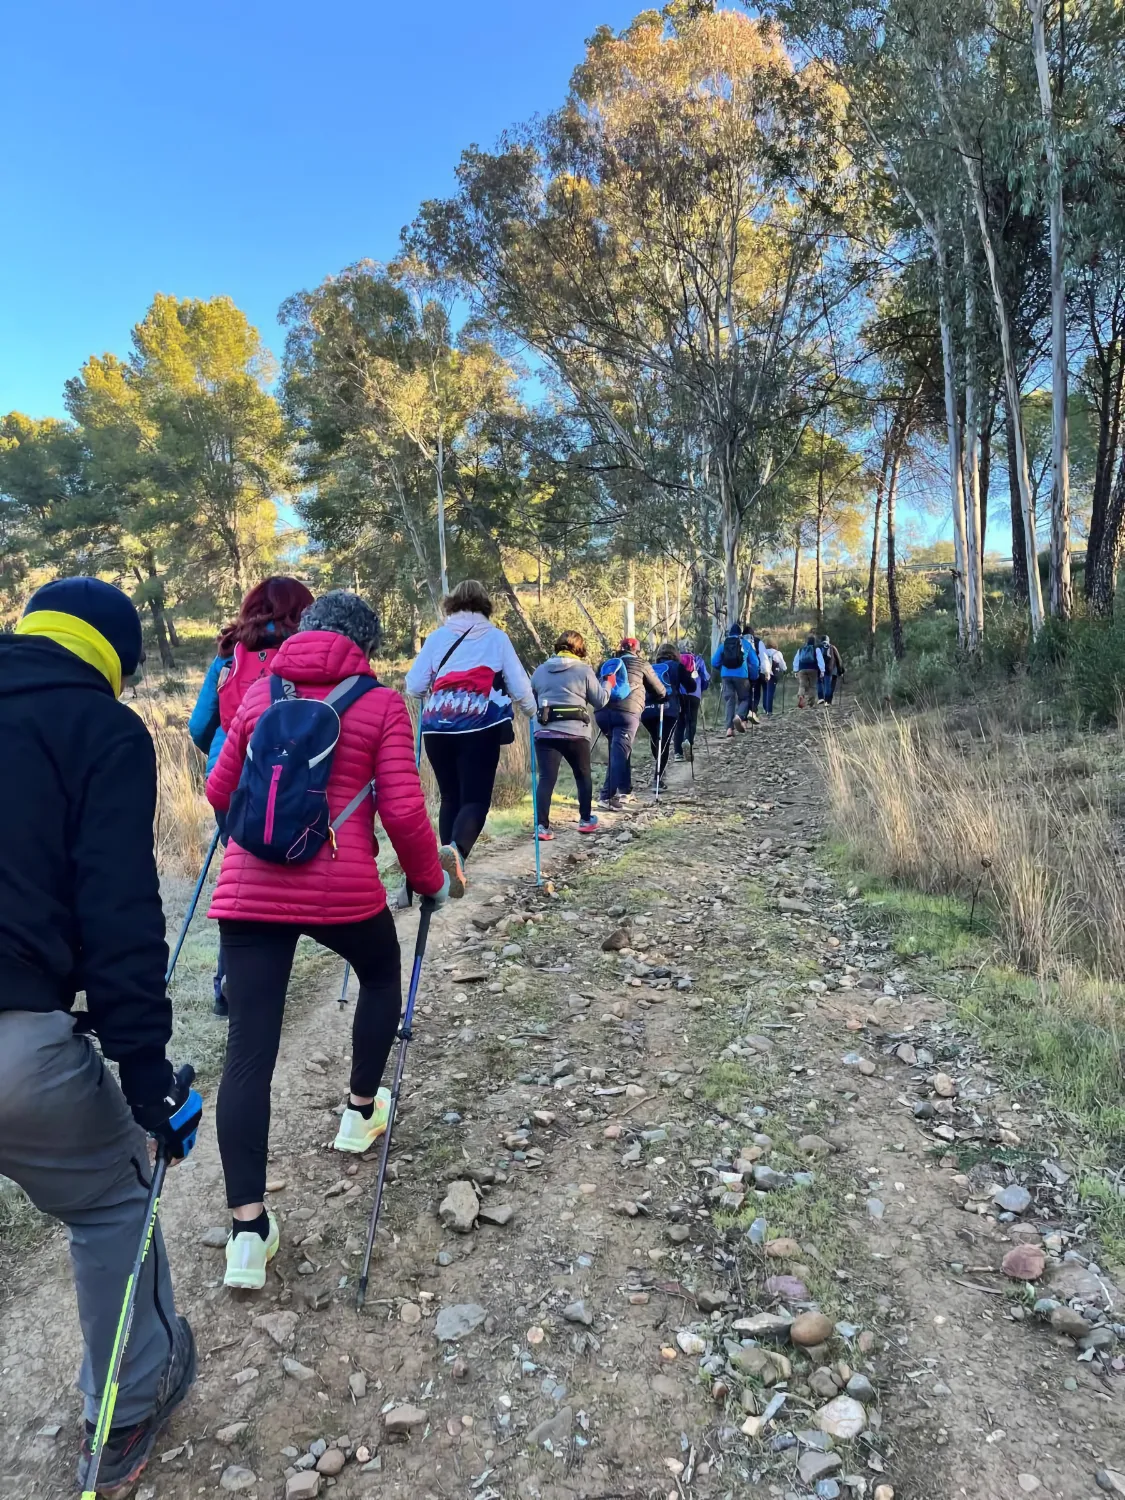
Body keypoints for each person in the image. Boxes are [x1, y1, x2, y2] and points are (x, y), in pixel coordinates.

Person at [0, 577, 201, 1496]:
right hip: (17, 1040)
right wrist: (148, 1081)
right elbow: (119, 911)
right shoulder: (100, 729)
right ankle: (125, 1412)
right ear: (113, 664)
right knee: (114, 1200)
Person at [206, 591, 450, 1291]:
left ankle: (247, 1234)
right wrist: (426, 881)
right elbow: (402, 807)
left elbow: (219, 790)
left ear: (306, 633)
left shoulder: (258, 692)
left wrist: (256, 837)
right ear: (366, 645)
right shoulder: (378, 707)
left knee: (249, 1048)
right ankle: (358, 1111)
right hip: (338, 889)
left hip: (248, 891)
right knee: (379, 974)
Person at [189, 576, 314, 1015]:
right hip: (291, 778)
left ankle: (229, 982)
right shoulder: (305, 653)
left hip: (230, 782)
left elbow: (199, 726)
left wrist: (223, 751)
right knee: (288, 876)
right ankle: (265, 978)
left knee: (239, 879)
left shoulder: (229, 655)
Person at [404, 579, 535, 896]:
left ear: (452, 605)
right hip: (479, 728)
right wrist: (531, 710)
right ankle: (456, 854)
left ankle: (444, 872)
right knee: (475, 799)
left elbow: (413, 685)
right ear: (484, 606)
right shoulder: (496, 638)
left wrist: (435, 690)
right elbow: (519, 685)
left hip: (437, 728)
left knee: (450, 797)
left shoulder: (437, 638)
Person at [530, 630, 608, 839]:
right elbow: (600, 700)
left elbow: (532, 700)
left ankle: (542, 827)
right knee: (582, 775)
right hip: (576, 732)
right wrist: (608, 684)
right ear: (579, 649)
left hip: (545, 731)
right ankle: (585, 820)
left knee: (546, 778)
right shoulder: (584, 670)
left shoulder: (539, 671)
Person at [593, 636, 667, 808]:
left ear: (620, 648)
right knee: (620, 751)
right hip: (627, 713)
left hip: (602, 712)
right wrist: (659, 697)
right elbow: (659, 690)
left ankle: (625, 791)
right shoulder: (642, 664)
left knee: (620, 749)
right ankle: (607, 797)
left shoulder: (608, 664)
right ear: (637, 650)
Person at [643, 644, 693, 788]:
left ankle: (659, 771)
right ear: (675, 654)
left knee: (655, 739)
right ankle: (657, 779)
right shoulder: (677, 666)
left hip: (648, 709)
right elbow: (691, 687)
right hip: (669, 708)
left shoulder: (649, 667)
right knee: (663, 741)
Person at [711, 621, 760, 735]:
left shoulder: (724, 645)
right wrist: (753, 676)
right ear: (740, 634)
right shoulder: (745, 644)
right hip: (742, 676)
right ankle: (739, 716)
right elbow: (755, 662)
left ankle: (729, 729)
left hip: (726, 676)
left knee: (729, 701)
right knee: (745, 698)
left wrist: (722, 669)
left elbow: (714, 662)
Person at [673, 647, 709, 761]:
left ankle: (678, 753)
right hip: (694, 694)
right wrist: (701, 689)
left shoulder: (676, 662)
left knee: (680, 723)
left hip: (679, 694)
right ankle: (688, 740)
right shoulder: (698, 660)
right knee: (691, 721)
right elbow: (705, 678)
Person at [745, 625, 771, 717]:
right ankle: (752, 712)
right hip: (755, 671)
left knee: (744, 694)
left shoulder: (739, 641)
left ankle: (744, 713)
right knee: (755, 693)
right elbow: (764, 658)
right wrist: (767, 672)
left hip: (741, 672)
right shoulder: (758, 642)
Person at [794, 634, 825, 708]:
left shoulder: (801, 649)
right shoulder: (816, 649)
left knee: (802, 684)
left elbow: (796, 660)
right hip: (813, 669)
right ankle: (811, 703)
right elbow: (820, 660)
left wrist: (795, 670)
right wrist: (822, 670)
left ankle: (801, 695)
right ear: (814, 641)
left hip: (802, 669)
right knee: (812, 686)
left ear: (807, 641)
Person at [762, 640, 787, 716]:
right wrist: (785, 669)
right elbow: (783, 665)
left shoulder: (764, 652)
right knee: (770, 692)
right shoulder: (777, 653)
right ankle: (769, 711)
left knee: (765, 691)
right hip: (772, 674)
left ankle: (765, 709)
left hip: (763, 673)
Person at [819, 634, 844, 704]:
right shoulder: (832, 647)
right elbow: (838, 659)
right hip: (833, 670)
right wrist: (841, 671)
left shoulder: (818, 648)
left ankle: (826, 699)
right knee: (832, 685)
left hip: (822, 670)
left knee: (825, 685)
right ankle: (828, 700)